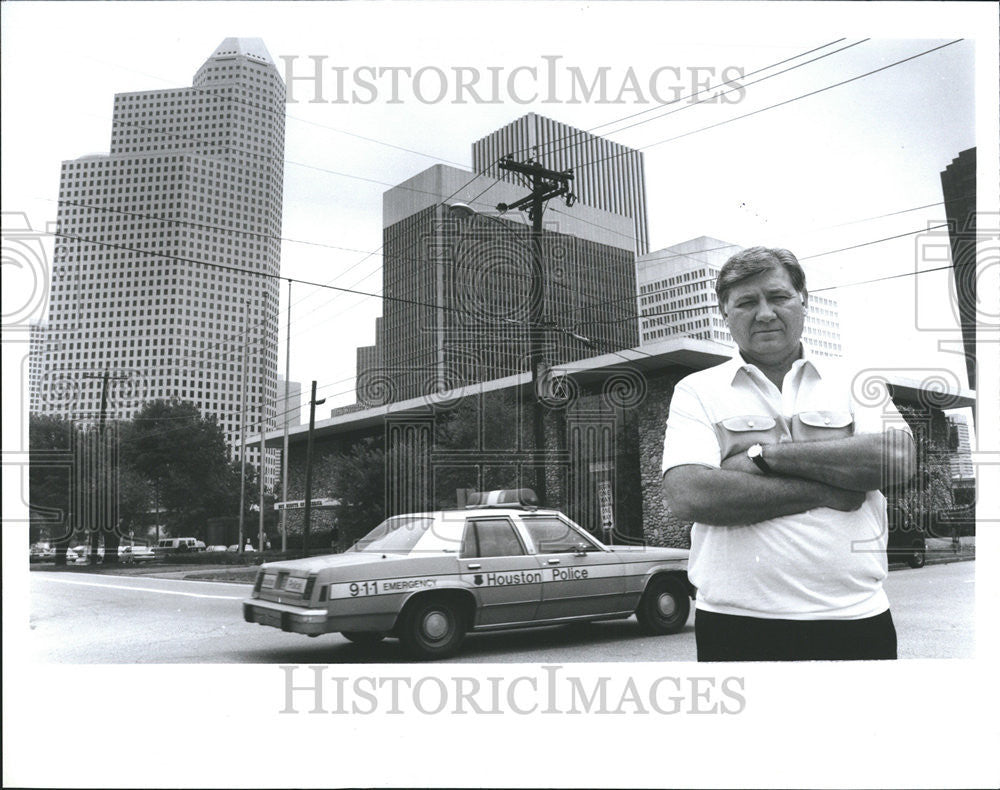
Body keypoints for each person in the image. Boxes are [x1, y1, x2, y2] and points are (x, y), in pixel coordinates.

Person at [661, 246, 915, 661]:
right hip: (736, 624)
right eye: (746, 302)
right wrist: (826, 490)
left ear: (804, 300)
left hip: (856, 618)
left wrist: (763, 456)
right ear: (724, 313)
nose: (764, 313)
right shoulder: (697, 390)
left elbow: (896, 459)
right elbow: (689, 494)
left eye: (778, 297)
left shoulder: (852, 378)